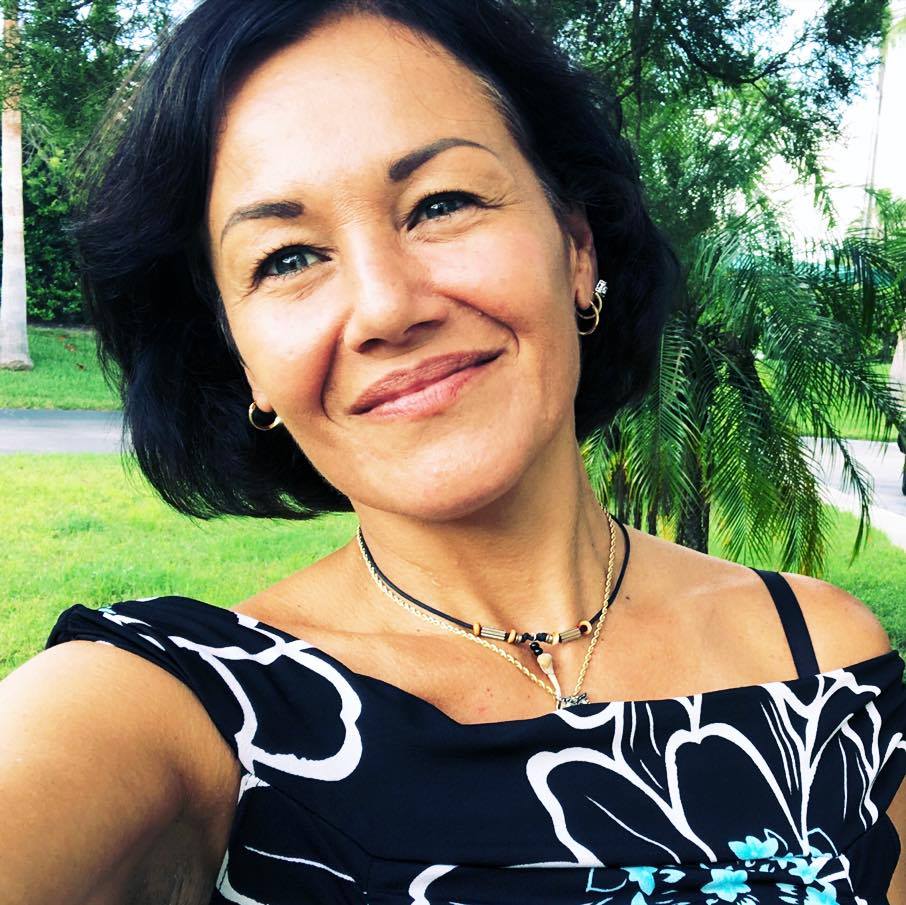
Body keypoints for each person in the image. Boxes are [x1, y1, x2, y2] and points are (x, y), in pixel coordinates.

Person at [2, 1, 905, 902]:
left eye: (441, 204)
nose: (387, 307)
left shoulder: (827, 657)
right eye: (286, 258)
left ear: (576, 248)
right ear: (243, 357)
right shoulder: (180, 704)